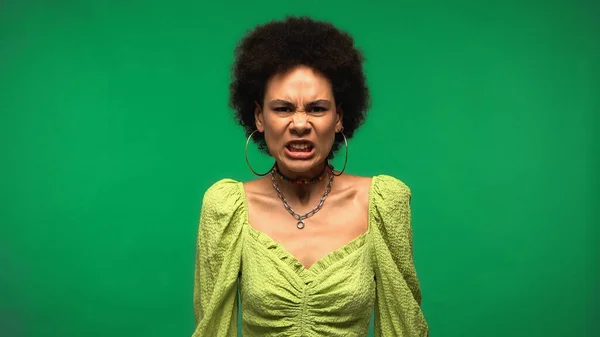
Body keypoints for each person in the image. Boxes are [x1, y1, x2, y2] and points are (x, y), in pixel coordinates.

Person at [191, 16, 428, 337]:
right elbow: (212, 330)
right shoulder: (225, 208)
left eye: (316, 108)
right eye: (283, 109)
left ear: (339, 118)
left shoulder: (383, 203)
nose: (300, 124)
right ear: (259, 117)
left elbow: (404, 328)